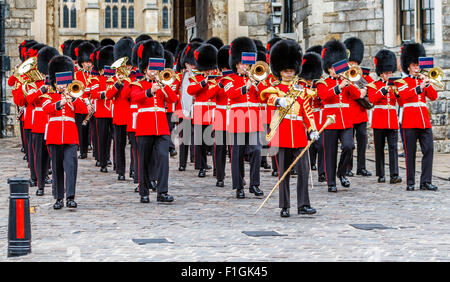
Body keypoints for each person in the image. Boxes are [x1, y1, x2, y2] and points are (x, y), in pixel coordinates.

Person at [261, 39, 319, 217]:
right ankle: (285, 206)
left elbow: (307, 111)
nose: (288, 73)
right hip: (282, 132)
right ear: (279, 71)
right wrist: (278, 100)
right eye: (286, 70)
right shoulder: (275, 89)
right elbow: (266, 98)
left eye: (291, 70)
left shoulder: (301, 90)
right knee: (283, 172)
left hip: (299, 134)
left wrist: (312, 129)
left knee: (303, 170)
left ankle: (303, 204)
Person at [130, 39, 178, 203]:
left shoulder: (163, 83)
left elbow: (173, 99)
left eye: (156, 69)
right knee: (143, 160)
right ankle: (144, 192)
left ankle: (162, 192)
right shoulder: (138, 83)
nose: (154, 71)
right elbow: (135, 97)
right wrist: (150, 91)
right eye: (151, 69)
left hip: (162, 127)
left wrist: (164, 86)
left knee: (163, 158)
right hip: (145, 126)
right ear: (145, 69)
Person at [317, 39, 363, 193]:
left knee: (349, 146)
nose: (336, 70)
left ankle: (341, 172)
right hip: (330, 121)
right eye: (333, 67)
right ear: (329, 69)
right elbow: (323, 96)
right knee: (329, 152)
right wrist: (339, 87)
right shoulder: (323, 83)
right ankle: (331, 182)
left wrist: (350, 83)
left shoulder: (346, 81)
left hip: (346, 121)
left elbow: (357, 95)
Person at [43, 55, 89, 209]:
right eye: (59, 83)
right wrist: (59, 102)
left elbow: (84, 110)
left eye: (65, 82)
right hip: (54, 137)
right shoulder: (49, 96)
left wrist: (73, 99)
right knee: (56, 170)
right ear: (55, 83)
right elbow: (46, 109)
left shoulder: (74, 96)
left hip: (70, 137)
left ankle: (70, 197)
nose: (62, 85)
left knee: (71, 168)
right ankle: (58, 198)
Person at [224, 36, 264, 199]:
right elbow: (230, 94)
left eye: (247, 63)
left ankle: (254, 184)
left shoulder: (256, 78)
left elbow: (263, 96)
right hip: (237, 120)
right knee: (238, 154)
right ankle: (239, 186)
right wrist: (245, 87)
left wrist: (258, 83)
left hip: (253, 119)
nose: (245, 67)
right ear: (236, 63)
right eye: (242, 63)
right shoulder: (229, 79)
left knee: (256, 150)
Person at [395, 42, 438, 191]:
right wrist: (419, 87)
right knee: (410, 153)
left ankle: (425, 181)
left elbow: (433, 96)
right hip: (409, 121)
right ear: (408, 66)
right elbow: (404, 96)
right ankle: (411, 182)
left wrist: (428, 83)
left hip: (424, 121)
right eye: (413, 65)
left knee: (429, 150)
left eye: (417, 64)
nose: (416, 67)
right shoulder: (402, 82)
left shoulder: (422, 80)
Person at [367, 49, 402, 184]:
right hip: (379, 120)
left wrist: (398, 93)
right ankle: (381, 174)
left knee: (393, 148)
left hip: (392, 120)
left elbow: (401, 102)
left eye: (390, 72)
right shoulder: (374, 85)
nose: (389, 75)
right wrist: (383, 90)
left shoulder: (396, 85)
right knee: (379, 149)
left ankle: (394, 174)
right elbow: (373, 99)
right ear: (381, 73)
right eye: (387, 73)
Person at [187, 43, 219, 178]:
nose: (209, 71)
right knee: (200, 142)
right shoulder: (196, 77)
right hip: (200, 112)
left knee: (215, 142)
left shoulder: (218, 77)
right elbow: (190, 90)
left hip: (213, 112)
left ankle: (218, 168)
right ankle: (201, 166)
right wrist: (203, 83)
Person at [105, 37, 135, 181]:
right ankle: (121, 170)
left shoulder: (135, 77)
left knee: (135, 146)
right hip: (119, 115)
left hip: (133, 116)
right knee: (119, 145)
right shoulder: (114, 77)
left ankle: (134, 170)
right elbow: (109, 95)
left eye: (129, 65)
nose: (127, 67)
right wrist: (118, 83)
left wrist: (128, 82)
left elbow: (128, 94)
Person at [343, 37, 372, 177]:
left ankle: (361, 167)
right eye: (350, 62)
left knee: (362, 142)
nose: (352, 64)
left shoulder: (362, 74)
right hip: (348, 112)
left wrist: (365, 90)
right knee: (349, 144)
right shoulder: (343, 76)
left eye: (354, 62)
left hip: (360, 113)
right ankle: (348, 167)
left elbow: (371, 86)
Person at [300, 51, 326, 182]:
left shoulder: (320, 84)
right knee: (307, 146)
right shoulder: (300, 85)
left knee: (321, 145)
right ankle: (306, 169)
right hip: (305, 118)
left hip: (318, 117)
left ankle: (322, 172)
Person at [74, 41, 96, 159]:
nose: (88, 64)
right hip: (81, 106)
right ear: (82, 63)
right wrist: (86, 103)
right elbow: (77, 91)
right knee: (82, 130)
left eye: (90, 62)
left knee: (94, 131)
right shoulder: (77, 75)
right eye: (86, 62)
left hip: (94, 106)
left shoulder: (94, 74)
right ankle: (83, 151)